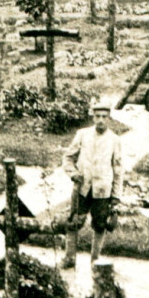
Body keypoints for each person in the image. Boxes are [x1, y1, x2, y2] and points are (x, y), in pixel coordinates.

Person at [61, 97, 123, 269]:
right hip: (82, 188)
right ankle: (69, 258)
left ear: (109, 118)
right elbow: (68, 157)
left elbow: (118, 170)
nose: (101, 120)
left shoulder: (114, 140)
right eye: (97, 116)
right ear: (93, 116)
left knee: (100, 224)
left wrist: (116, 196)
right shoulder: (82, 135)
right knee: (73, 223)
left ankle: (95, 260)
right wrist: (73, 173)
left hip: (102, 190)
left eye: (104, 116)